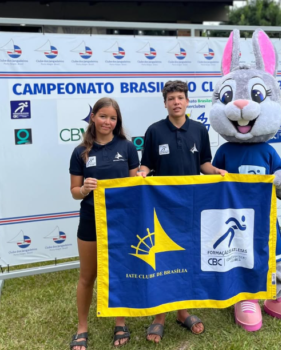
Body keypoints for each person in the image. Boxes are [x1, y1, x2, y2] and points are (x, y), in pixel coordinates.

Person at [137, 80, 227, 343]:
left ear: (187, 102)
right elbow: (146, 167)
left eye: (180, 97)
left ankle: (183, 312)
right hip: (161, 208)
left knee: (187, 259)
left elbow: (204, 165)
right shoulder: (154, 131)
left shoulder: (199, 130)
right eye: (171, 98)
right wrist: (141, 174)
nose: (176, 102)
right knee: (163, 260)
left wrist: (217, 172)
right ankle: (160, 317)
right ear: (165, 103)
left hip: (191, 207)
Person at [69, 97, 139, 350]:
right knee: (88, 276)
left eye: (113, 118)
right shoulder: (80, 152)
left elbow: (134, 186)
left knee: (119, 272)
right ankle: (82, 327)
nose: (107, 122)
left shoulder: (128, 147)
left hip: (122, 221)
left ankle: (120, 322)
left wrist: (140, 177)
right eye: (103, 116)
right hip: (90, 220)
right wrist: (84, 189)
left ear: (117, 121)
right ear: (93, 118)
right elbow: (74, 191)